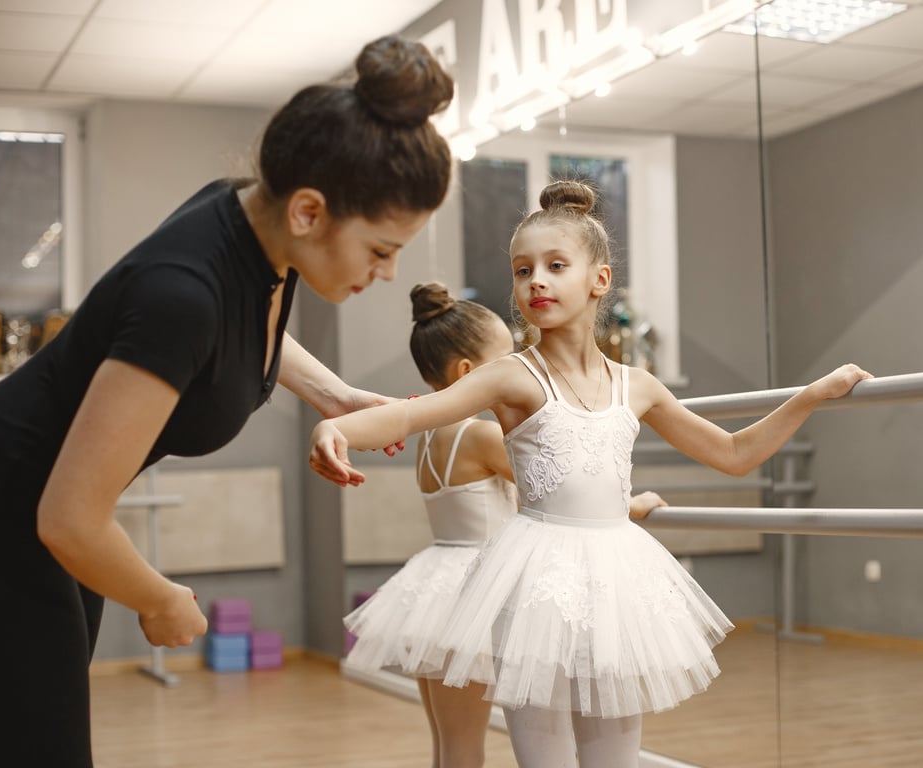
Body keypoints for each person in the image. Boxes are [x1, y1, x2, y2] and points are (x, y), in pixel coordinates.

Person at [0, 35, 453, 768]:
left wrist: (336, 394)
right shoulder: (183, 295)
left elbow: (243, 325)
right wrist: (161, 598)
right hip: (1, 514)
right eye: (382, 250)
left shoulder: (252, 231)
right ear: (309, 212)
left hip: (39, 512)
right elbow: (69, 517)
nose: (387, 274)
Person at [309, 180, 872, 768]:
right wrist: (339, 428)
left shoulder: (639, 387)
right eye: (523, 271)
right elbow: (410, 412)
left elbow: (733, 453)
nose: (536, 282)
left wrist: (811, 396)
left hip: (615, 583)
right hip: (535, 584)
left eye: (556, 266)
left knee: (615, 760)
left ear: (599, 279)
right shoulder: (512, 377)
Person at [342, 282, 668, 768]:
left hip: (434, 581)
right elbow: (559, 486)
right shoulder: (480, 435)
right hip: (479, 589)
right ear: (470, 372)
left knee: (450, 744)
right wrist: (630, 504)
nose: (520, 365)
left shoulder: (432, 434)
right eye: (508, 357)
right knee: (474, 744)